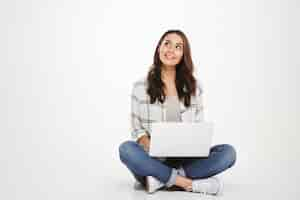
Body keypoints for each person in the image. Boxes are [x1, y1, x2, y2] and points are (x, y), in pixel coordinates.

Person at [119, 30, 236, 195]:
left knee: (228, 153)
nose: (171, 50)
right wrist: (153, 147)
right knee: (126, 149)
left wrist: (193, 146)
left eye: (178, 47)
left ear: (183, 54)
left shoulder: (195, 87)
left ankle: (160, 180)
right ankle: (188, 183)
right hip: (153, 159)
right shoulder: (140, 86)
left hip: (186, 159)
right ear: (159, 47)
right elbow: (137, 130)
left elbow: (198, 126)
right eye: (167, 43)